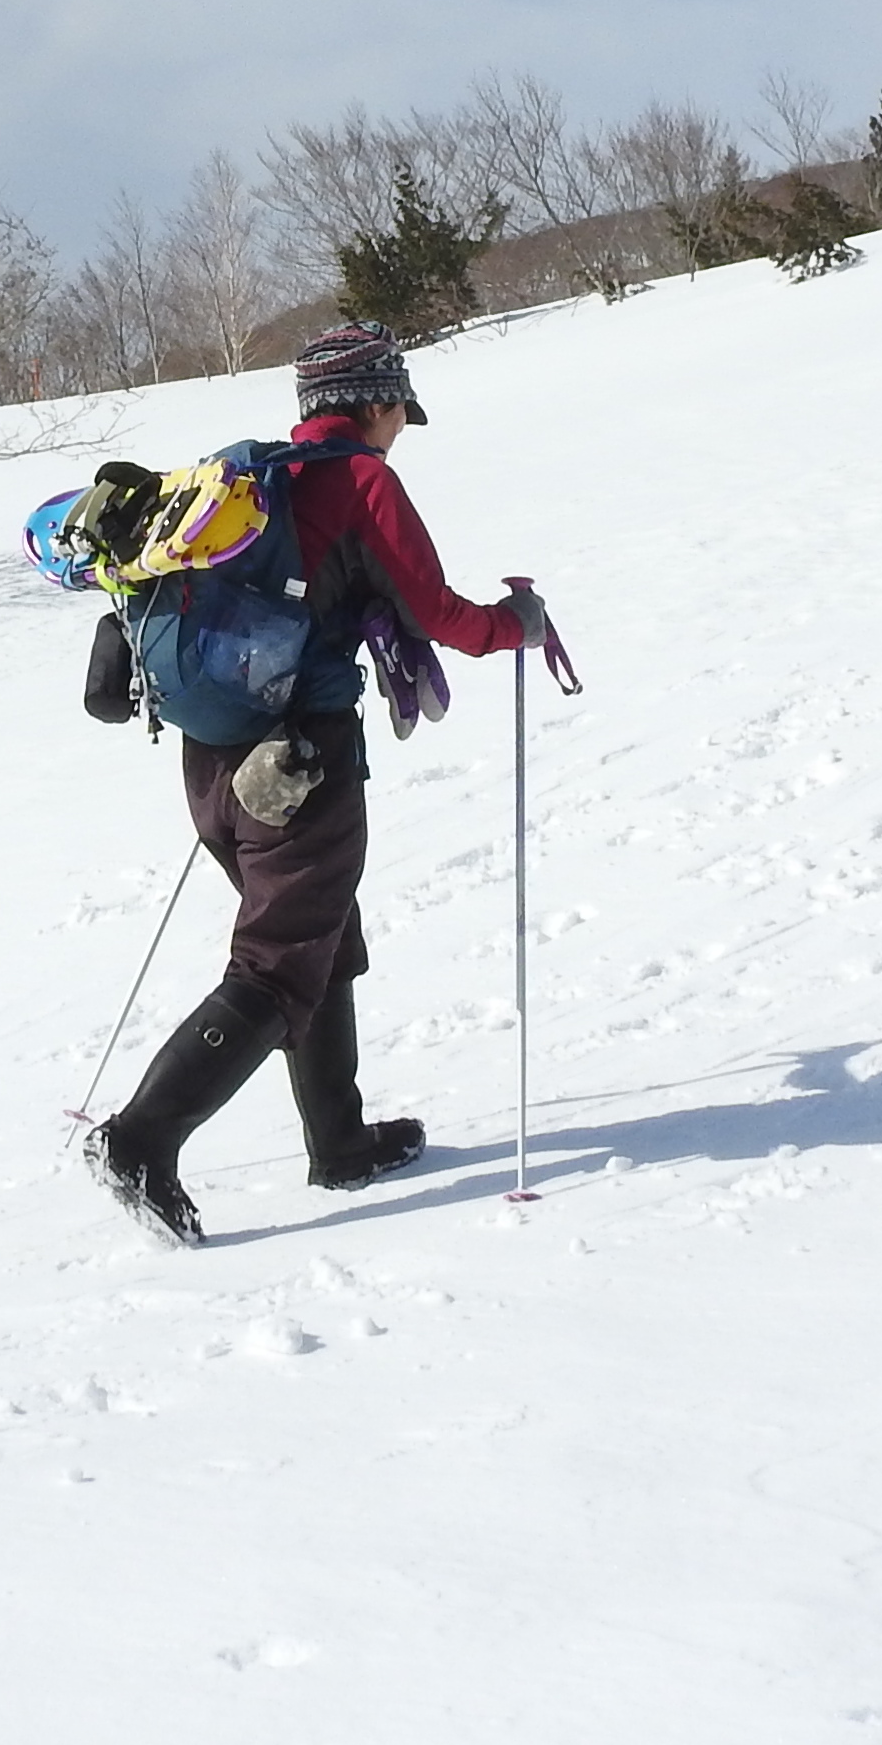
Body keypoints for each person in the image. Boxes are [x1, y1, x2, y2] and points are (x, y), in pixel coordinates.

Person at [86, 319, 555, 1246]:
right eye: (400, 410)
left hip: (212, 759)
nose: (403, 427)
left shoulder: (248, 485)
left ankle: (340, 1143)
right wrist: (519, 624)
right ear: (373, 404)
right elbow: (439, 611)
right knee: (276, 963)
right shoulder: (359, 481)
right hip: (301, 763)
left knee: (321, 936)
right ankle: (141, 1141)